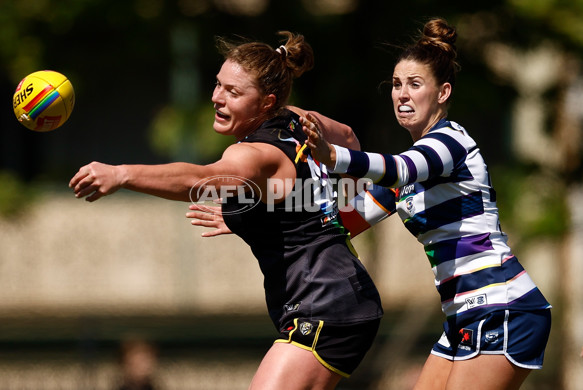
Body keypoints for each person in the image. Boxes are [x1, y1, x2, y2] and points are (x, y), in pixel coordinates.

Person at [69, 31, 383, 390]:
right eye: (218, 85)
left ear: (266, 103)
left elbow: (201, 180)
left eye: (233, 93)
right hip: (343, 299)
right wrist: (266, 214)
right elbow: (347, 139)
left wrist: (123, 174)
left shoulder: (252, 153)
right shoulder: (298, 118)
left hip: (324, 307)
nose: (217, 98)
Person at [301, 18, 552, 390]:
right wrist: (253, 213)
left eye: (415, 85)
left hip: (502, 306)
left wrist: (331, 154)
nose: (402, 94)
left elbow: (399, 169)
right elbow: (339, 222)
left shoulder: (450, 143)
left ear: (443, 92)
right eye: (397, 85)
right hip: (461, 315)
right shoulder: (409, 172)